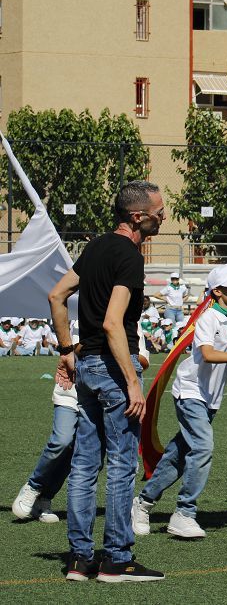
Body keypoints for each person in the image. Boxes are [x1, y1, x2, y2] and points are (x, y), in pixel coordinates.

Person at [48, 180, 166, 582]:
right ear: (138, 218)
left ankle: (80, 560)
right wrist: (133, 382)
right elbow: (115, 322)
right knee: (120, 466)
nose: (163, 216)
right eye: (158, 211)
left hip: (88, 367)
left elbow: (56, 295)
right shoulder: (131, 257)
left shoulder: (95, 247)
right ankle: (116, 558)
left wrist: (67, 349)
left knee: (84, 466)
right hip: (114, 369)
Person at [132, 265, 227, 540]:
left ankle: (142, 503)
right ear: (217, 292)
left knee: (177, 457)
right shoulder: (209, 317)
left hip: (210, 400)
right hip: (190, 392)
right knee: (203, 447)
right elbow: (208, 354)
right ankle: (184, 513)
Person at [13, 328, 150, 525]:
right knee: (62, 441)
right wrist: (116, 350)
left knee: (83, 454)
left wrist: (118, 354)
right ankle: (33, 485)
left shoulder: (133, 320)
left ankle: (45, 499)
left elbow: (142, 359)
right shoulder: (84, 315)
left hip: (108, 396)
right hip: (71, 391)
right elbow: (76, 349)